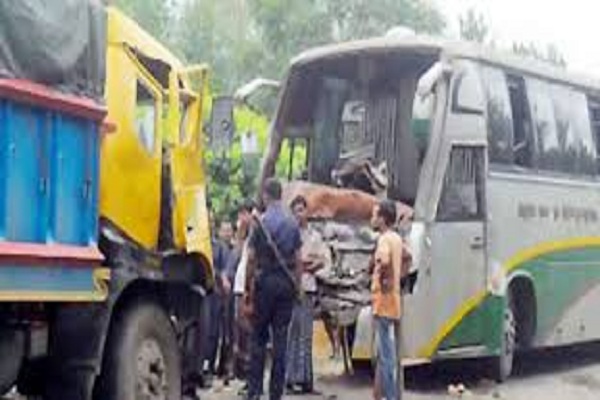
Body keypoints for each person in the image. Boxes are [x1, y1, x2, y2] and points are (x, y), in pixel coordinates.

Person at [244, 178, 302, 400]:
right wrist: (297, 287)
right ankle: (275, 394)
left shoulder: (260, 222)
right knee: (280, 342)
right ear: (281, 195)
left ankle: (254, 391)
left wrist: (247, 290)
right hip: (286, 285)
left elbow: (251, 259)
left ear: (266, 196)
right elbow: (298, 259)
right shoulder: (292, 223)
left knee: (258, 338)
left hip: (264, 284)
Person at [286, 195, 330, 394]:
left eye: (302, 210)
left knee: (306, 336)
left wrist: (309, 264)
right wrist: (304, 264)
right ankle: (290, 379)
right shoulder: (288, 235)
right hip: (291, 289)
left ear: (307, 212)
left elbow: (323, 260)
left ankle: (306, 380)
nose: (299, 214)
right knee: (291, 334)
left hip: (309, 288)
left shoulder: (314, 236)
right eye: (296, 210)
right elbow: (291, 261)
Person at [371, 200, 408, 400]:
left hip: (383, 301)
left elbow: (384, 261)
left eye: (375, 215)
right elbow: (407, 258)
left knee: (385, 355)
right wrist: (398, 279)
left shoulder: (384, 239)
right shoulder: (397, 239)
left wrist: (383, 279)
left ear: (383, 219)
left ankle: (391, 396)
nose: (372, 219)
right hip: (394, 299)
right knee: (390, 353)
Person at [222, 199, 256, 391]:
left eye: (244, 214)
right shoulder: (242, 239)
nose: (241, 218)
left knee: (248, 332)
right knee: (236, 332)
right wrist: (227, 276)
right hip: (238, 289)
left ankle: (249, 374)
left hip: (249, 291)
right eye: (240, 214)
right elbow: (234, 259)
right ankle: (238, 371)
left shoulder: (257, 236)